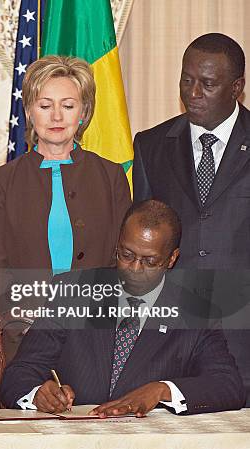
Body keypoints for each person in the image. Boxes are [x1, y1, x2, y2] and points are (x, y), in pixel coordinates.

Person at [0, 200, 246, 416]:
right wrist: (37, 394)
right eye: (126, 255)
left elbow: (228, 386)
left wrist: (162, 390)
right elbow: (19, 372)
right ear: (116, 245)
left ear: (172, 259)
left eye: (150, 261)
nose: (135, 269)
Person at [0, 55, 131, 392]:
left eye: (68, 105)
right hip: (25, 337)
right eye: (45, 105)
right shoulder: (3, 180)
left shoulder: (111, 176)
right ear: (30, 111)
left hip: (96, 340)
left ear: (84, 112)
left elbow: (122, 262)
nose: (57, 116)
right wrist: (28, 320)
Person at [133, 33, 250, 405]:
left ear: (237, 88)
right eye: (187, 80)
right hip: (173, 336)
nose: (193, 92)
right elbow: (143, 247)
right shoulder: (151, 145)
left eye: (208, 84)